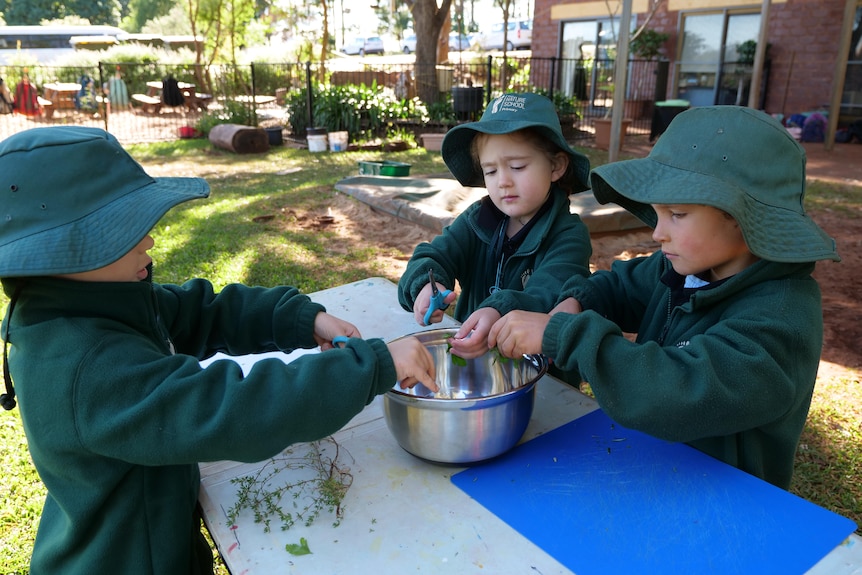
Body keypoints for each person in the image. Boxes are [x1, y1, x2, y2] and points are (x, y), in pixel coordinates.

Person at [0, 126, 437, 574]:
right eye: (127, 229)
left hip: (161, 538)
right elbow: (233, 410)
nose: (149, 239)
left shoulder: (99, 303)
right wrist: (373, 365)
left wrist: (301, 320)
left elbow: (202, 311)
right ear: (65, 252)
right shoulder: (83, 368)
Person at [488, 106, 840, 489]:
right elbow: (618, 287)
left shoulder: (782, 317)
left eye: (676, 213)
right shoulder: (684, 267)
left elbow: (682, 390)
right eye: (657, 213)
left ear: (741, 218)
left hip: (727, 502)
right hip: (655, 470)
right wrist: (576, 301)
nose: (658, 233)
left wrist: (566, 335)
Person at [398, 92, 593, 358]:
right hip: (474, 361)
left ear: (556, 166)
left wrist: (497, 310)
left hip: (541, 376)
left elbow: (548, 293)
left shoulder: (568, 236)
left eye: (517, 166)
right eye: (490, 171)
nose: (502, 181)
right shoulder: (479, 218)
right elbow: (436, 254)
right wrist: (425, 285)